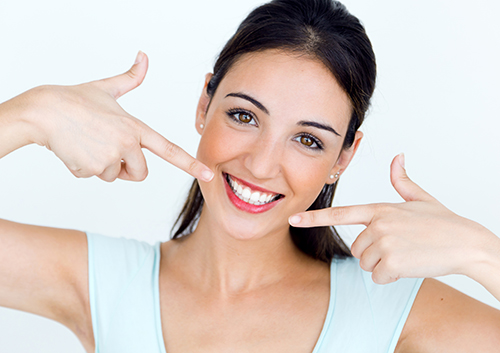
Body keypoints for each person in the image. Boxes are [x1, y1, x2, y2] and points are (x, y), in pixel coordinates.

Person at [1, 0, 499, 352]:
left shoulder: (394, 311)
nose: (262, 165)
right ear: (204, 104)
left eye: (309, 140)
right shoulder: (104, 284)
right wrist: (30, 115)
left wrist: (483, 253)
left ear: (344, 157)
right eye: (244, 116)